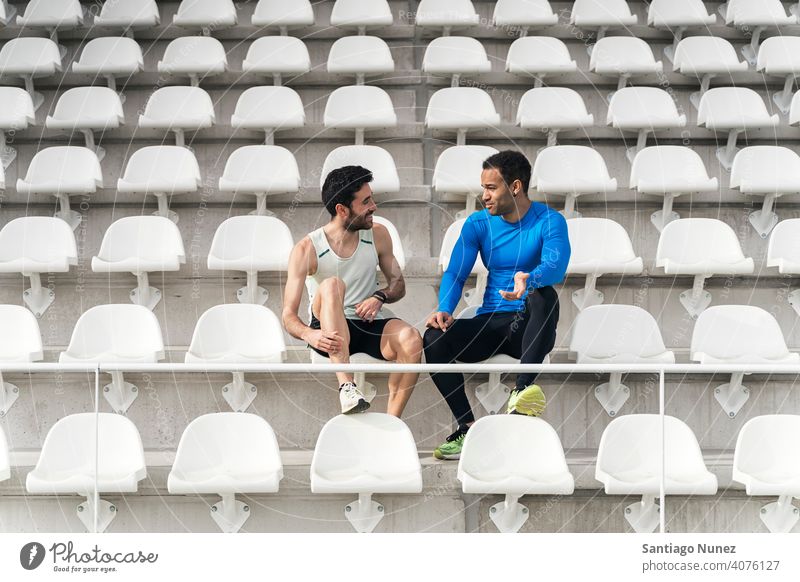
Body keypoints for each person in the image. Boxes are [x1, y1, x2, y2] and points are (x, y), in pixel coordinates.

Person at [423, 150, 570, 459]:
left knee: (545, 295)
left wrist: (529, 280)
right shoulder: (478, 224)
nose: (483, 196)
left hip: (529, 330)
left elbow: (556, 266)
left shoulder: (549, 221)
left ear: (515, 187)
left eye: (491, 188)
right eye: (483, 188)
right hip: (490, 322)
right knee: (434, 336)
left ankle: (520, 393)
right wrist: (445, 309)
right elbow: (456, 271)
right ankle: (467, 428)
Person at [282, 165, 423, 416]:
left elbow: (398, 284)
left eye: (372, 199)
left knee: (411, 338)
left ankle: (393, 422)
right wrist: (308, 335)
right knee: (332, 285)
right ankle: (347, 387)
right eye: (366, 201)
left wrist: (380, 296)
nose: (374, 207)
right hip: (327, 329)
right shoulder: (306, 249)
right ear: (342, 209)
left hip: (367, 322)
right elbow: (288, 316)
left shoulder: (378, 234)